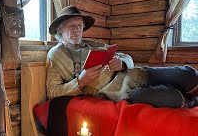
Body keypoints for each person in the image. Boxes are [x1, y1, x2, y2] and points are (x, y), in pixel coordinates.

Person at [46, 6, 198, 108]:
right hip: (118, 92)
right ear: (60, 28)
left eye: (80, 26)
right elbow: (52, 91)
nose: (77, 30)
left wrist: (121, 63)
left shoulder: (91, 44)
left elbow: (126, 57)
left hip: (136, 73)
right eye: (72, 26)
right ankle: (192, 99)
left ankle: (189, 88)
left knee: (188, 74)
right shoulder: (55, 55)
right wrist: (79, 82)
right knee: (171, 98)